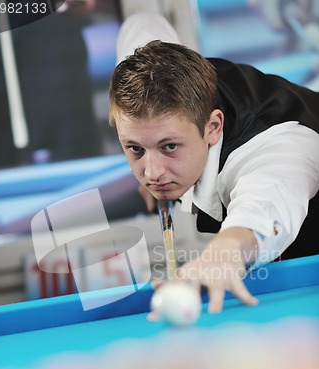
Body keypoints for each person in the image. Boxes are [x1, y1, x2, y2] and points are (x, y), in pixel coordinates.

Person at [109, 13, 319, 313]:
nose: (152, 173)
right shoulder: (163, 73)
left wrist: (223, 252)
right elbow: (142, 22)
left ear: (213, 127)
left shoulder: (275, 149)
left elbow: (264, 207)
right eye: (135, 149)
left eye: (169, 146)